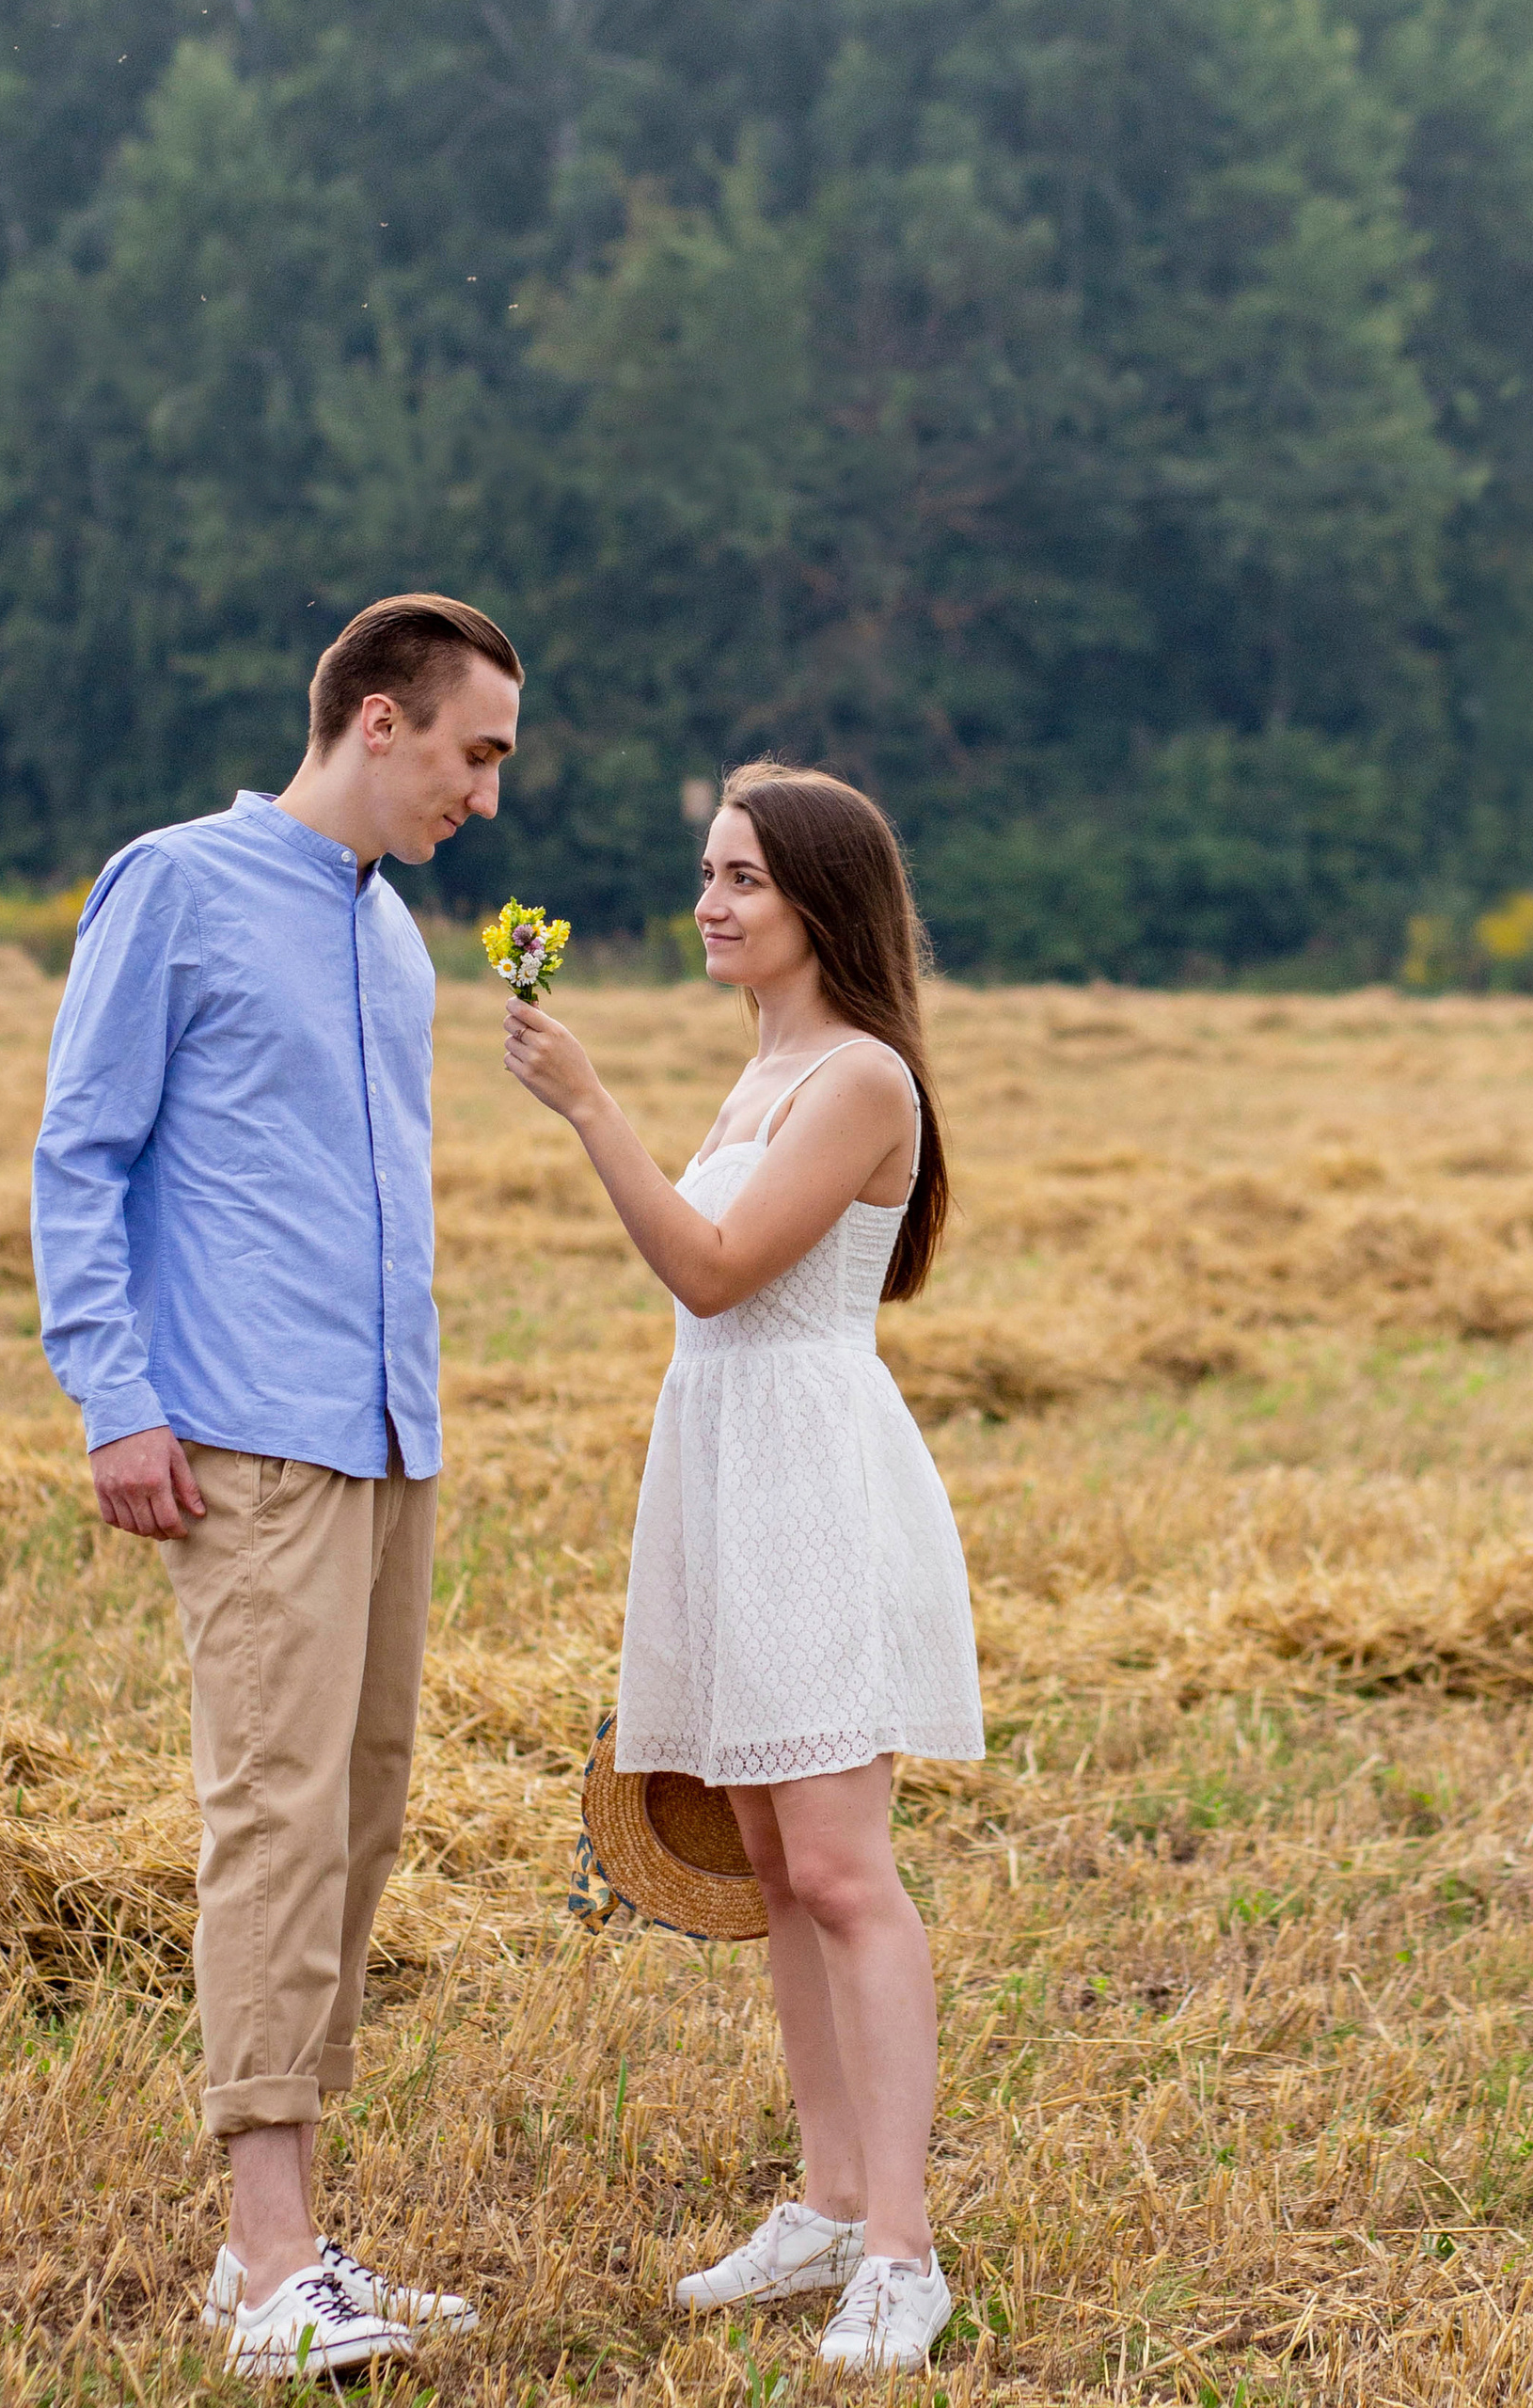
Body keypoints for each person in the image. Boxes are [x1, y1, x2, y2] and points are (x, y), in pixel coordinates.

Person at [31, 594, 522, 2380]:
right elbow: (82, 1153)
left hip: (392, 1437)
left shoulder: (396, 943)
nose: (487, 794)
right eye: (476, 753)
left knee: (362, 1819)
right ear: (376, 722)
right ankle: (263, 2259)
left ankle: (293, 2244)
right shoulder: (172, 884)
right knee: (273, 1815)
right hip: (241, 1436)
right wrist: (115, 1399)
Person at [501, 760, 984, 2376]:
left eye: (743, 881)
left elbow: (711, 1275)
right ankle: (830, 2203)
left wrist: (587, 1105)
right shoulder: (760, 1071)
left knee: (844, 1873)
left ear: (821, 905)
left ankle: (903, 2252)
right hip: (724, 1469)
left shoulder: (858, 1080)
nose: (709, 903)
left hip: (811, 1481)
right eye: (709, 873)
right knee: (770, 1871)